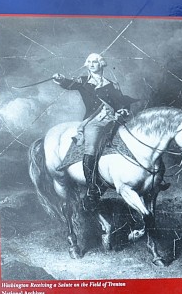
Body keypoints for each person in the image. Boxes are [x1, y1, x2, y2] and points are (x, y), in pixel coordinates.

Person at [53, 54, 137, 205]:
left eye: (95, 62)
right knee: (90, 148)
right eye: (89, 62)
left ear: (101, 64)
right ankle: (92, 187)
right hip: (94, 121)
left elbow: (120, 102)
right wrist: (60, 79)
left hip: (112, 120)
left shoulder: (111, 84)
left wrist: (123, 110)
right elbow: (70, 84)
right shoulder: (84, 81)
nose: (92, 64)